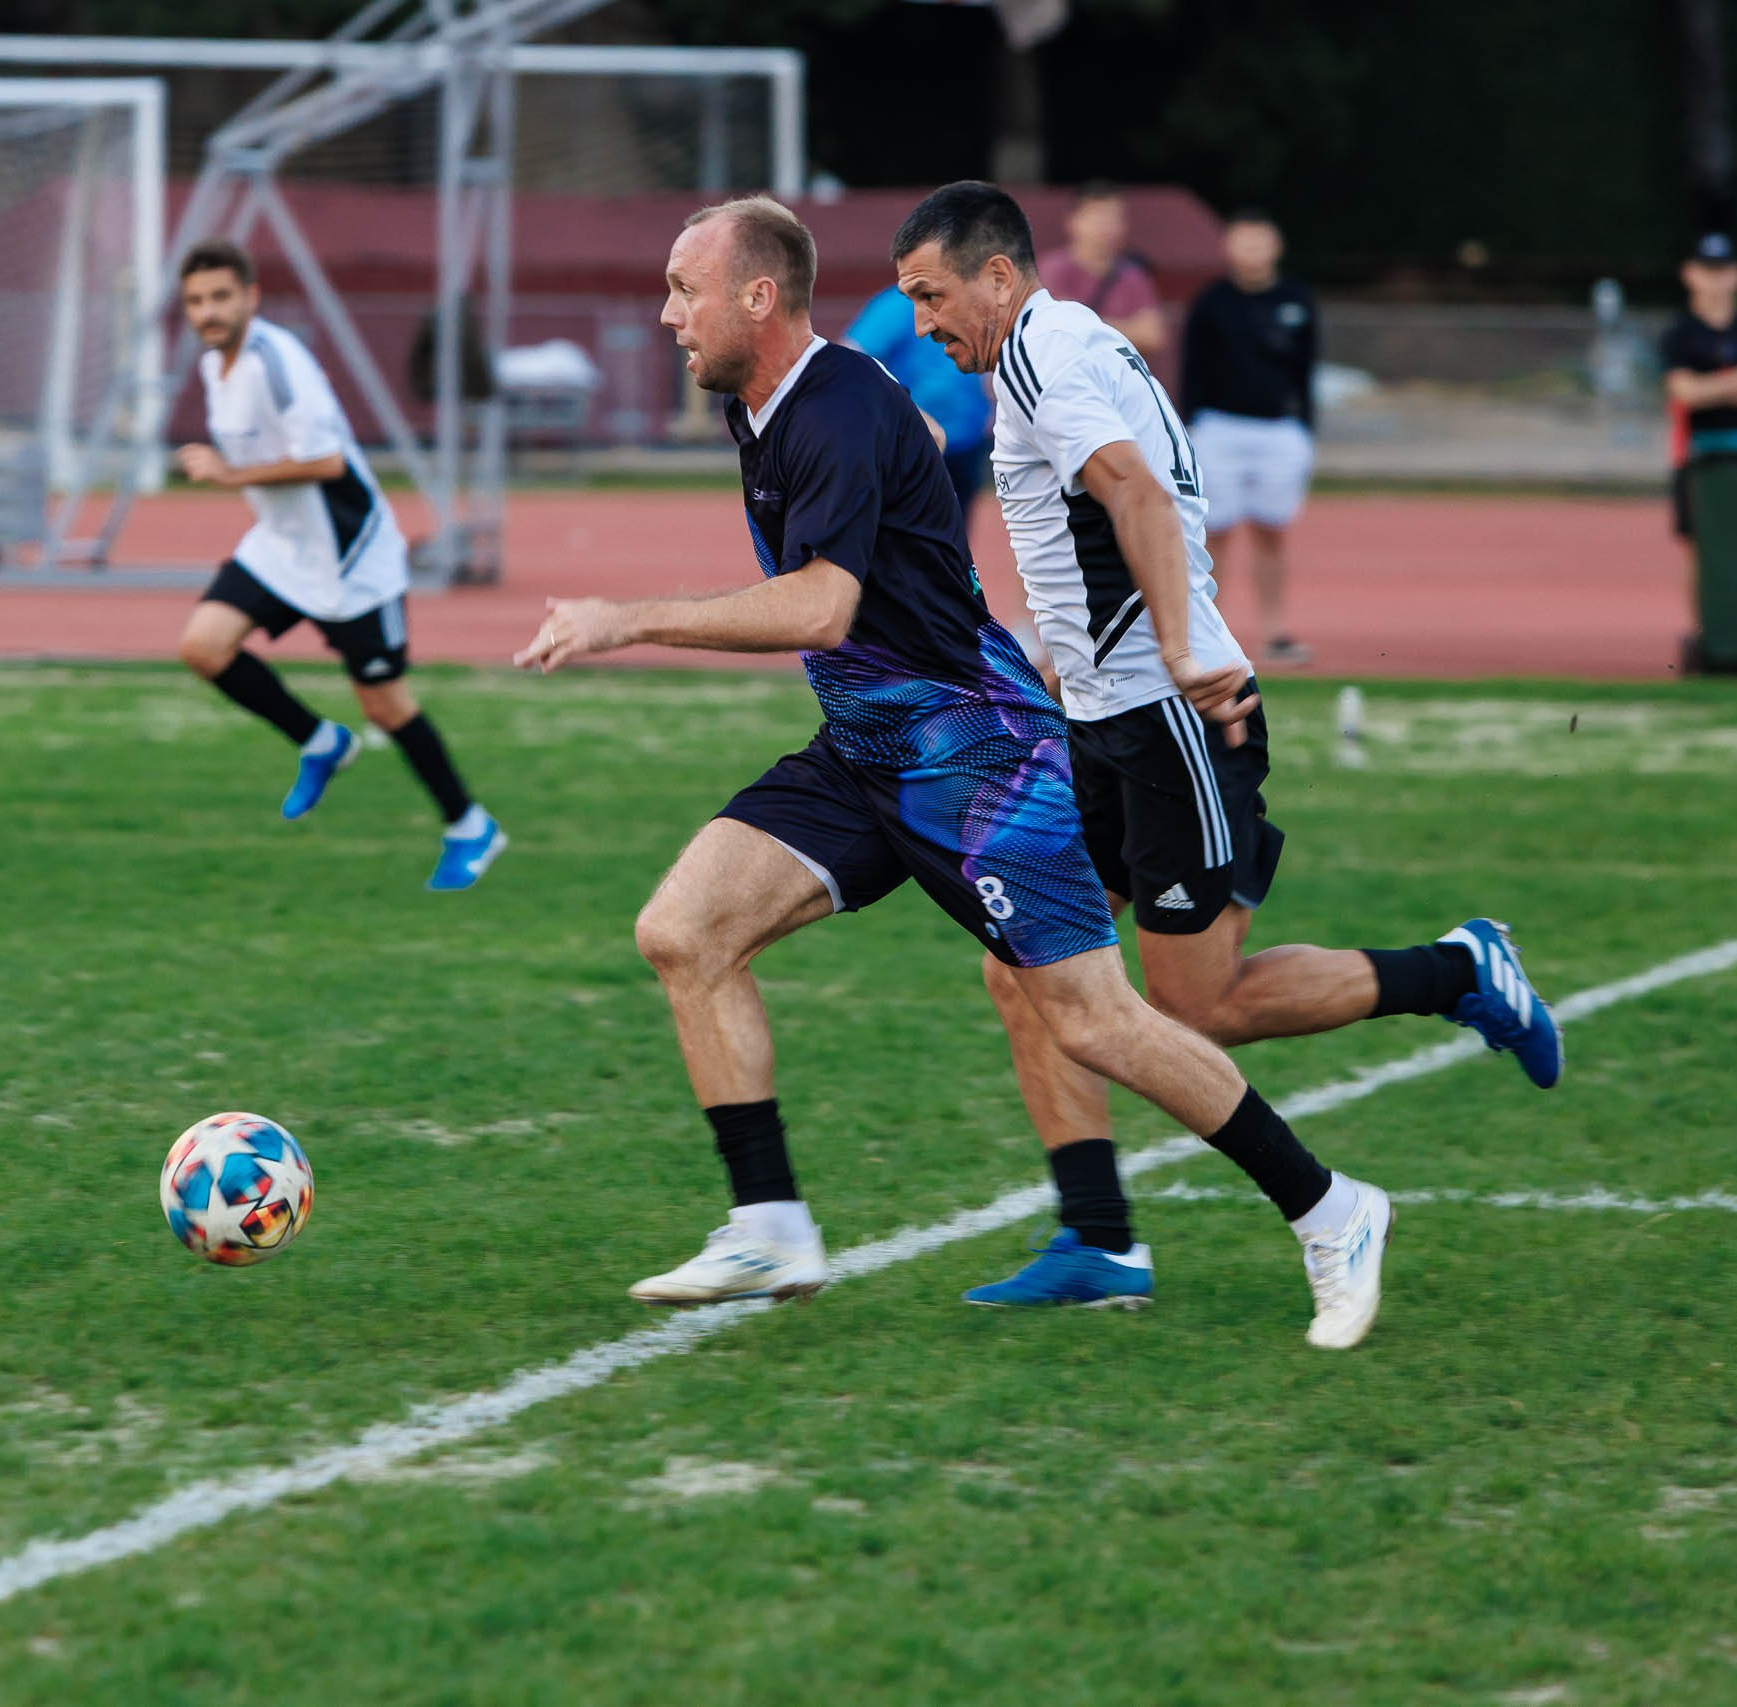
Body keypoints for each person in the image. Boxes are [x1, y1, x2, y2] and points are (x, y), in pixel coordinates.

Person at [518, 194, 1395, 1349]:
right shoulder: (765, 406)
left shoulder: (832, 410)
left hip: (975, 752)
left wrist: (624, 619)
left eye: (685, 289)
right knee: (685, 930)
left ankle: (1331, 1208)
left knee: (1094, 1020)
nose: (667, 313)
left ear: (758, 297)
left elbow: (823, 605)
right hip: (865, 748)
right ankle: (770, 1222)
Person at [890, 181, 1560, 1312]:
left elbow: (1138, 499)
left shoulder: (1047, 357)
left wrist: (1178, 648)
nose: (920, 323)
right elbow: (1082, 544)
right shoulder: (1037, 358)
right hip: (1100, 720)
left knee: (1194, 1006)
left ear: (997, 276)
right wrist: (1045, 676)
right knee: (1022, 969)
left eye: (930, 295)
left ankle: (1460, 970)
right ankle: (1097, 1239)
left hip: (1169, 722)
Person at [169, 240, 505, 891]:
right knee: (202, 647)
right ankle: (320, 741)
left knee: (385, 706)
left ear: (249, 297)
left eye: (219, 296)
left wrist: (228, 471)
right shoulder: (217, 365)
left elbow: (326, 463)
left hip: (353, 560)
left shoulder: (279, 363)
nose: (207, 311)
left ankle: (470, 825)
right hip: (281, 547)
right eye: (195, 301)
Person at [1180, 210, 1318, 669]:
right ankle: (1210, 631)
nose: (1252, 251)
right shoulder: (1211, 301)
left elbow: (1306, 372)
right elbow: (1191, 369)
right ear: (1229, 247)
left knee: (1271, 532)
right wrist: (1189, 426)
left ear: (1275, 246)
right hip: (1218, 426)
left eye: (1261, 241)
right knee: (1214, 532)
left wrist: (1305, 428)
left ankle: (1274, 631)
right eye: (1244, 241)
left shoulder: (1297, 300)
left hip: (1279, 429)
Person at [1661, 232, 1737, 595]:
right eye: (1708, 270)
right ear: (1690, 274)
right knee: (1699, 551)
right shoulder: (1681, 333)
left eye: (1723, 270)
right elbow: (1684, 391)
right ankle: (1709, 638)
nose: (1716, 280)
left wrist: (1711, 387)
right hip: (1695, 456)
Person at [841, 284, 995, 508]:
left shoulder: (972, 299)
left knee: (955, 529)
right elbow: (851, 357)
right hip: (910, 445)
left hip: (966, 438)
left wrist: (994, 408)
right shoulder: (898, 304)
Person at [1037, 182, 1168, 361]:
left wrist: (1087, 325)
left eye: (1114, 218)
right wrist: (1126, 328)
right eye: (1097, 217)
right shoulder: (1052, 269)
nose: (1106, 226)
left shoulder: (1133, 275)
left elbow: (1153, 336)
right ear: (1073, 221)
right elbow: (1055, 327)